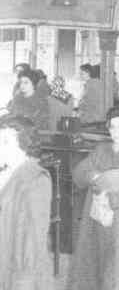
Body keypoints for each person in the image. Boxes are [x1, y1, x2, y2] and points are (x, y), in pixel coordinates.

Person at [67, 107, 119, 290]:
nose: (117, 132)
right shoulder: (101, 150)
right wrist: (94, 177)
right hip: (95, 220)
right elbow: (78, 174)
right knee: (94, 266)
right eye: (113, 127)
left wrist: (110, 198)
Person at [0, 116, 53, 290]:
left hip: (18, 270)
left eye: (6, 142)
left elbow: (33, 240)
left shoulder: (35, 179)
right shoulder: (7, 171)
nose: (0, 147)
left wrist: (23, 283)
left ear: (24, 145)